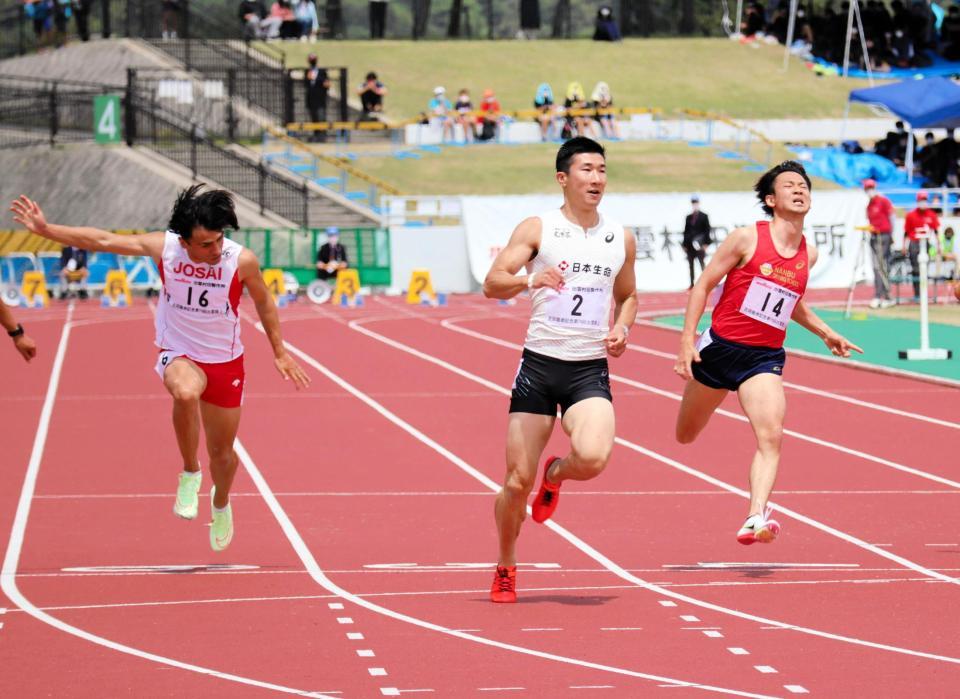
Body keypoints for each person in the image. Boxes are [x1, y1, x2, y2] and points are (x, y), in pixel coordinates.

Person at [10, 186, 310, 551]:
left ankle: (221, 503)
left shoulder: (240, 260)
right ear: (183, 242)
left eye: (219, 241)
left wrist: (279, 352)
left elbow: (264, 302)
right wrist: (46, 230)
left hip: (225, 361)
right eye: (205, 245)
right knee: (184, 392)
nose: (215, 251)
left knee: (224, 457)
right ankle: (189, 473)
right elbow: (103, 240)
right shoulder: (164, 248)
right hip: (181, 352)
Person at [673, 161, 862, 546]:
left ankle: (754, 513)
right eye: (789, 185)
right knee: (685, 435)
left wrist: (826, 332)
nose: (799, 189)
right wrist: (686, 341)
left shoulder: (809, 255)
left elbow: (789, 302)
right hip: (720, 349)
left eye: (804, 185)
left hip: (763, 358)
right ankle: (753, 509)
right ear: (771, 200)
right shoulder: (746, 239)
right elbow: (704, 285)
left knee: (771, 435)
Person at [481, 137, 638, 603]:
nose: (597, 179)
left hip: (588, 367)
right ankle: (506, 563)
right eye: (587, 170)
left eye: (603, 170)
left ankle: (556, 476)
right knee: (514, 482)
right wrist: (532, 278)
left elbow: (628, 296)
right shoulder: (539, 228)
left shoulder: (619, 237)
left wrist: (623, 328)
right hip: (540, 365)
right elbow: (492, 283)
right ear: (563, 178)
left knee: (593, 457)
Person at [862, 178, 896, 308]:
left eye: (871, 187)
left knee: (880, 265)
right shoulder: (869, 205)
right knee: (876, 266)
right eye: (867, 188)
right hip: (874, 236)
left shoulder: (883, 201)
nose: (869, 190)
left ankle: (884, 294)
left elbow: (892, 218)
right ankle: (880, 294)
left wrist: (892, 235)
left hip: (884, 236)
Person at [903, 190, 940, 302]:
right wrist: (904, 246)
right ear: (917, 201)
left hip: (926, 244)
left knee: (925, 269)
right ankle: (917, 294)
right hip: (914, 243)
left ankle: (924, 293)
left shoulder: (931, 215)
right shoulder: (911, 215)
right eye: (921, 200)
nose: (922, 202)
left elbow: (936, 231)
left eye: (924, 200)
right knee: (915, 269)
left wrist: (939, 245)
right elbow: (906, 232)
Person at [682, 194, 712, 289]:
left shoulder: (704, 216)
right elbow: (686, 231)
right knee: (691, 266)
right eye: (693, 202)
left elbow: (707, 230)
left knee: (702, 264)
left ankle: (705, 283)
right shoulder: (688, 217)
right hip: (690, 246)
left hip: (700, 245)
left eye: (696, 202)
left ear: (698, 203)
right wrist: (684, 245)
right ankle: (692, 283)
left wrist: (706, 244)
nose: (694, 204)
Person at [304, 53, 330, 141]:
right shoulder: (307, 71)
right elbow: (305, 84)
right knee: (314, 118)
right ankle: (316, 135)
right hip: (311, 99)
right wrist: (308, 78)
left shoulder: (322, 71)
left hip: (320, 99)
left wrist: (315, 79)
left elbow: (327, 83)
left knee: (321, 117)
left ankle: (323, 136)